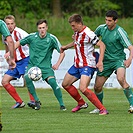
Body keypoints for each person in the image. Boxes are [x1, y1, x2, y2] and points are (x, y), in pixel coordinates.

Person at [60, 14, 108, 115]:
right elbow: (77, 42)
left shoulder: (88, 34)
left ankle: (102, 109)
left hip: (88, 65)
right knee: (65, 84)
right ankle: (81, 103)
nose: (72, 28)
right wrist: (66, 47)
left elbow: (102, 45)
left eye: (73, 26)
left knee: (83, 88)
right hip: (77, 64)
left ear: (79, 23)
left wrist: (100, 61)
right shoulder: (77, 32)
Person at [14, 19, 66, 111]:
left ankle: (62, 105)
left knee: (53, 83)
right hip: (33, 66)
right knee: (26, 77)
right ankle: (36, 101)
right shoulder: (32, 37)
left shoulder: (52, 38)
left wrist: (57, 64)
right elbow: (18, 43)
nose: (42, 30)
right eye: (40, 28)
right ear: (37, 29)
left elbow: (62, 52)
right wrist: (10, 53)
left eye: (43, 28)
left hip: (46, 67)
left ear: (47, 28)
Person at [89, 10, 133, 114]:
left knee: (121, 78)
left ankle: (132, 104)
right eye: (106, 20)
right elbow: (91, 39)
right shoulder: (101, 28)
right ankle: (99, 107)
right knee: (97, 86)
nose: (107, 23)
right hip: (105, 61)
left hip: (118, 60)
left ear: (115, 21)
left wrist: (129, 59)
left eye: (110, 21)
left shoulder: (120, 32)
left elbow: (131, 47)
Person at [1, 15, 35, 108]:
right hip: (15, 62)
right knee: (4, 81)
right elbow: (6, 46)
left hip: (25, 59)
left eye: (12, 23)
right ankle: (19, 102)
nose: (10, 26)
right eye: (8, 24)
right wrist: (8, 60)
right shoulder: (4, 34)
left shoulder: (20, 32)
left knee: (27, 79)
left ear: (15, 24)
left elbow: (31, 42)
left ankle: (34, 100)